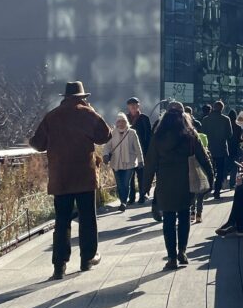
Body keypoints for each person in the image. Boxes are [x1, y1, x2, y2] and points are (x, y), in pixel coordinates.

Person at [29, 81, 111, 280]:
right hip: (84, 176)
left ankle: (59, 266)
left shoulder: (52, 116)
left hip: (60, 178)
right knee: (87, 219)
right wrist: (91, 110)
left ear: (64, 97)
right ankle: (87, 258)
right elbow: (105, 136)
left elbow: (37, 143)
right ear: (82, 97)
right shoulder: (87, 114)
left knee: (62, 221)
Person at [143, 102, 213, 269]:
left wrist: (145, 186)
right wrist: (211, 177)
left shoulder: (158, 135)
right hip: (186, 181)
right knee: (184, 216)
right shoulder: (190, 134)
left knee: (168, 219)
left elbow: (150, 162)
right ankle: (182, 251)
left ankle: (171, 257)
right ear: (184, 115)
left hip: (165, 182)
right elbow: (204, 158)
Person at [103, 112, 144, 212]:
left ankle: (123, 202)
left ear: (126, 122)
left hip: (129, 163)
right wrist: (105, 155)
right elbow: (107, 146)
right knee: (120, 184)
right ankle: (122, 200)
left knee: (126, 184)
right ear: (116, 123)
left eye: (123, 121)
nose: (121, 123)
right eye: (119, 121)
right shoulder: (113, 133)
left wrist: (140, 160)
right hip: (115, 163)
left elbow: (138, 148)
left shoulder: (132, 132)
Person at [200, 100, 232, 199]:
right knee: (220, 171)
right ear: (222, 108)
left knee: (208, 170)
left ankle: (207, 189)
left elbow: (202, 134)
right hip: (221, 149)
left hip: (208, 149)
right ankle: (217, 191)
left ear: (213, 107)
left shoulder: (205, 119)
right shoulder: (226, 119)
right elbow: (229, 135)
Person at [126, 97, 152, 204]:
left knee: (141, 175)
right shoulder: (125, 118)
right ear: (128, 107)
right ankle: (131, 197)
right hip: (128, 152)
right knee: (130, 177)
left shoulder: (144, 118)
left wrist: (148, 152)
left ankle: (142, 195)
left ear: (138, 106)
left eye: (135, 105)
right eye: (131, 105)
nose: (133, 107)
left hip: (141, 152)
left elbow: (149, 136)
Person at [190, 128, 211, 224]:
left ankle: (192, 212)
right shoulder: (200, 138)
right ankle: (199, 214)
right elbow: (205, 158)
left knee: (192, 193)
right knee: (200, 195)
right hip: (199, 171)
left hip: (189, 171)